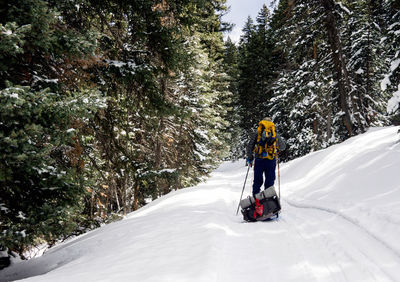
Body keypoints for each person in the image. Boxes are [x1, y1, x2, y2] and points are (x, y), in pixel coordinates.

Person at [246, 117, 286, 197]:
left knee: (257, 181)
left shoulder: (257, 132)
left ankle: (256, 202)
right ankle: (269, 202)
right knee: (270, 181)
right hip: (271, 160)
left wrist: (250, 158)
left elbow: (250, 146)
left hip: (259, 160)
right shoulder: (274, 133)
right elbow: (282, 147)